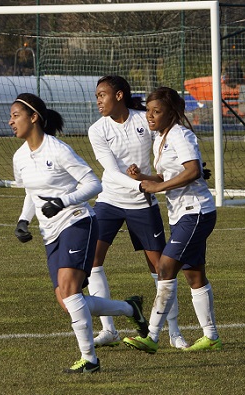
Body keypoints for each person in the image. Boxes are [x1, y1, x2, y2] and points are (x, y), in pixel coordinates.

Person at [10, 93, 149, 374]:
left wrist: (63, 201)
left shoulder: (57, 149)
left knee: (71, 290)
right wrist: (24, 220)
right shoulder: (20, 156)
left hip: (77, 222)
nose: (10, 121)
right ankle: (129, 309)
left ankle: (90, 360)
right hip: (50, 234)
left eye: (15, 115)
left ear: (33, 117)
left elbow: (93, 184)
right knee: (68, 301)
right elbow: (31, 192)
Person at [87, 76, 188, 349]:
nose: (97, 101)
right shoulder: (97, 130)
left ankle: (174, 332)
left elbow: (171, 146)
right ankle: (108, 330)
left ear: (119, 95)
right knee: (92, 262)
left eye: (102, 95)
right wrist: (142, 183)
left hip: (143, 204)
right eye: (96, 96)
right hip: (109, 200)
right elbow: (111, 172)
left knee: (162, 269)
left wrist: (186, 168)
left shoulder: (145, 119)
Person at [123, 87, 221, 353]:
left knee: (165, 267)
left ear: (172, 113)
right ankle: (211, 337)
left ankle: (152, 336)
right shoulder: (160, 139)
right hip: (181, 214)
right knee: (194, 274)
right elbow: (166, 177)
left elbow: (193, 170)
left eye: (157, 111)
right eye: (149, 111)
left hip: (196, 212)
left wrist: (157, 188)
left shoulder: (181, 134)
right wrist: (143, 177)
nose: (150, 116)